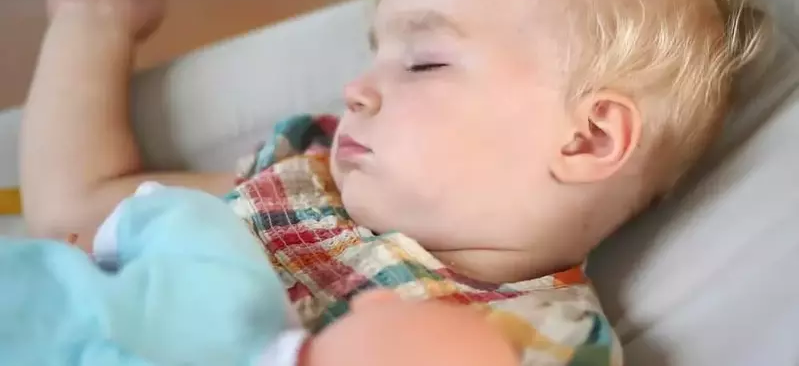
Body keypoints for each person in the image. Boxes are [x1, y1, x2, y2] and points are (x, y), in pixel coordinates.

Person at [19, 0, 769, 365]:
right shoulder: (302, 177)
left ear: (586, 139)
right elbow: (75, 205)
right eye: (375, 52)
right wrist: (90, 32)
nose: (355, 89)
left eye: (422, 63)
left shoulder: (541, 338)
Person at [1, 182, 518, 366]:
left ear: (375, 304)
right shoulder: (304, 171)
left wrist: (106, 246)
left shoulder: (239, 303)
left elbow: (174, 215)